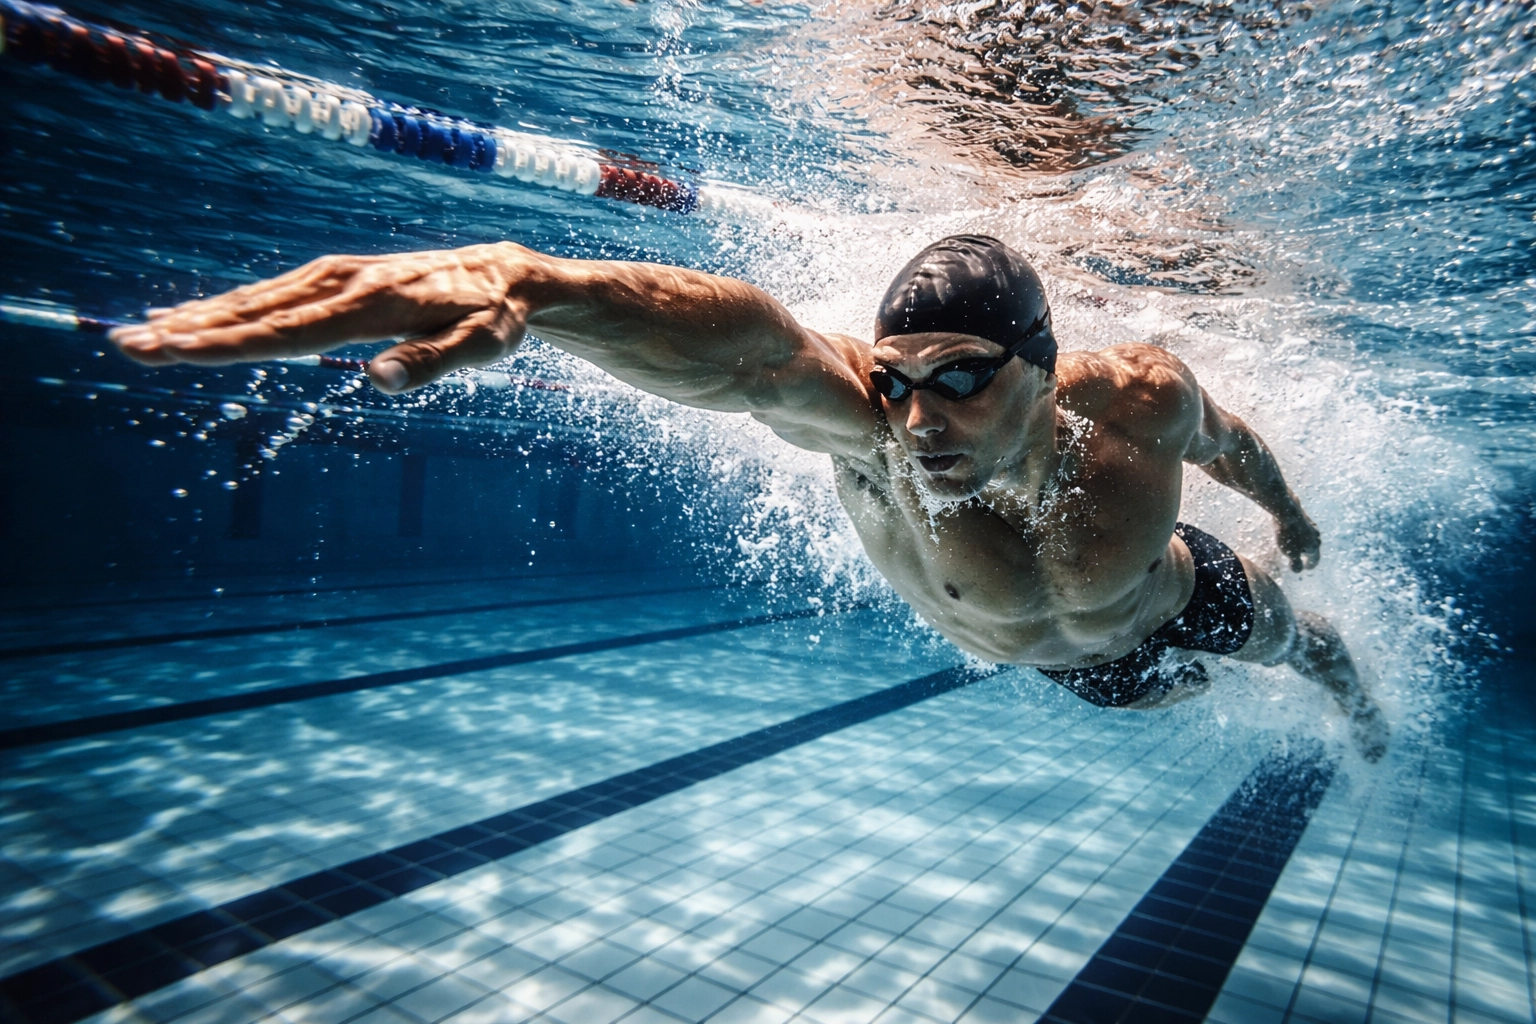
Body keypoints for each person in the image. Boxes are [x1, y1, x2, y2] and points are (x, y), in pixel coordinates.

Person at [110, 234, 1388, 759]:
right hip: (1074, 664)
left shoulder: (1137, 400)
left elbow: (1231, 444)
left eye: (962, 377)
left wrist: (1290, 517)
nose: (921, 417)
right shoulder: (872, 430)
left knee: (1294, 645)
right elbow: (752, 353)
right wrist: (542, 289)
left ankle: (1364, 715)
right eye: (899, 383)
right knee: (1158, 694)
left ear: (1047, 372)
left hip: (1176, 587)